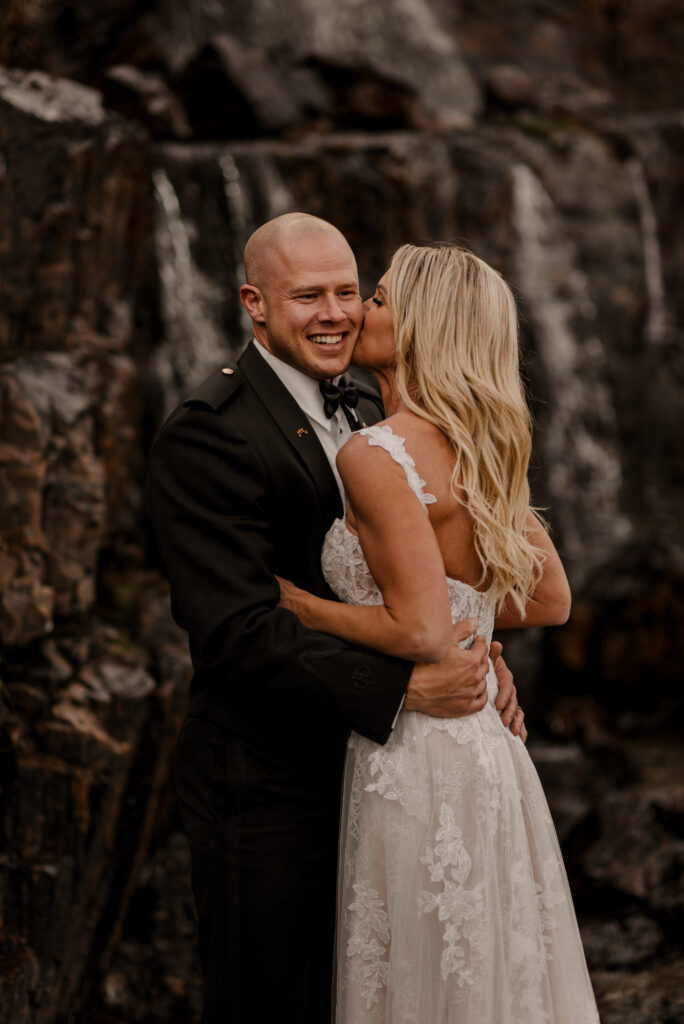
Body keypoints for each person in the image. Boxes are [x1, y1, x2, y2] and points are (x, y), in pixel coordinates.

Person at [145, 214, 523, 1023]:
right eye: (307, 296)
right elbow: (239, 633)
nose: (335, 313)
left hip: (390, 780)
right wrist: (408, 688)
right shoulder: (209, 435)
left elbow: (428, 568)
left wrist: (481, 648)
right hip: (270, 788)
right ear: (255, 303)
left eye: (348, 292)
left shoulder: (365, 399)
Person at [276, 243, 600, 1022]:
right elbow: (548, 599)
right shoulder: (481, 446)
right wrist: (476, 625)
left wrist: (298, 604)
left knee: (422, 975)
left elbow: (419, 629)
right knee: (491, 966)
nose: (358, 311)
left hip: (417, 749)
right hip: (488, 750)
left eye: (379, 300)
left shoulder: (376, 453)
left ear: (423, 326)